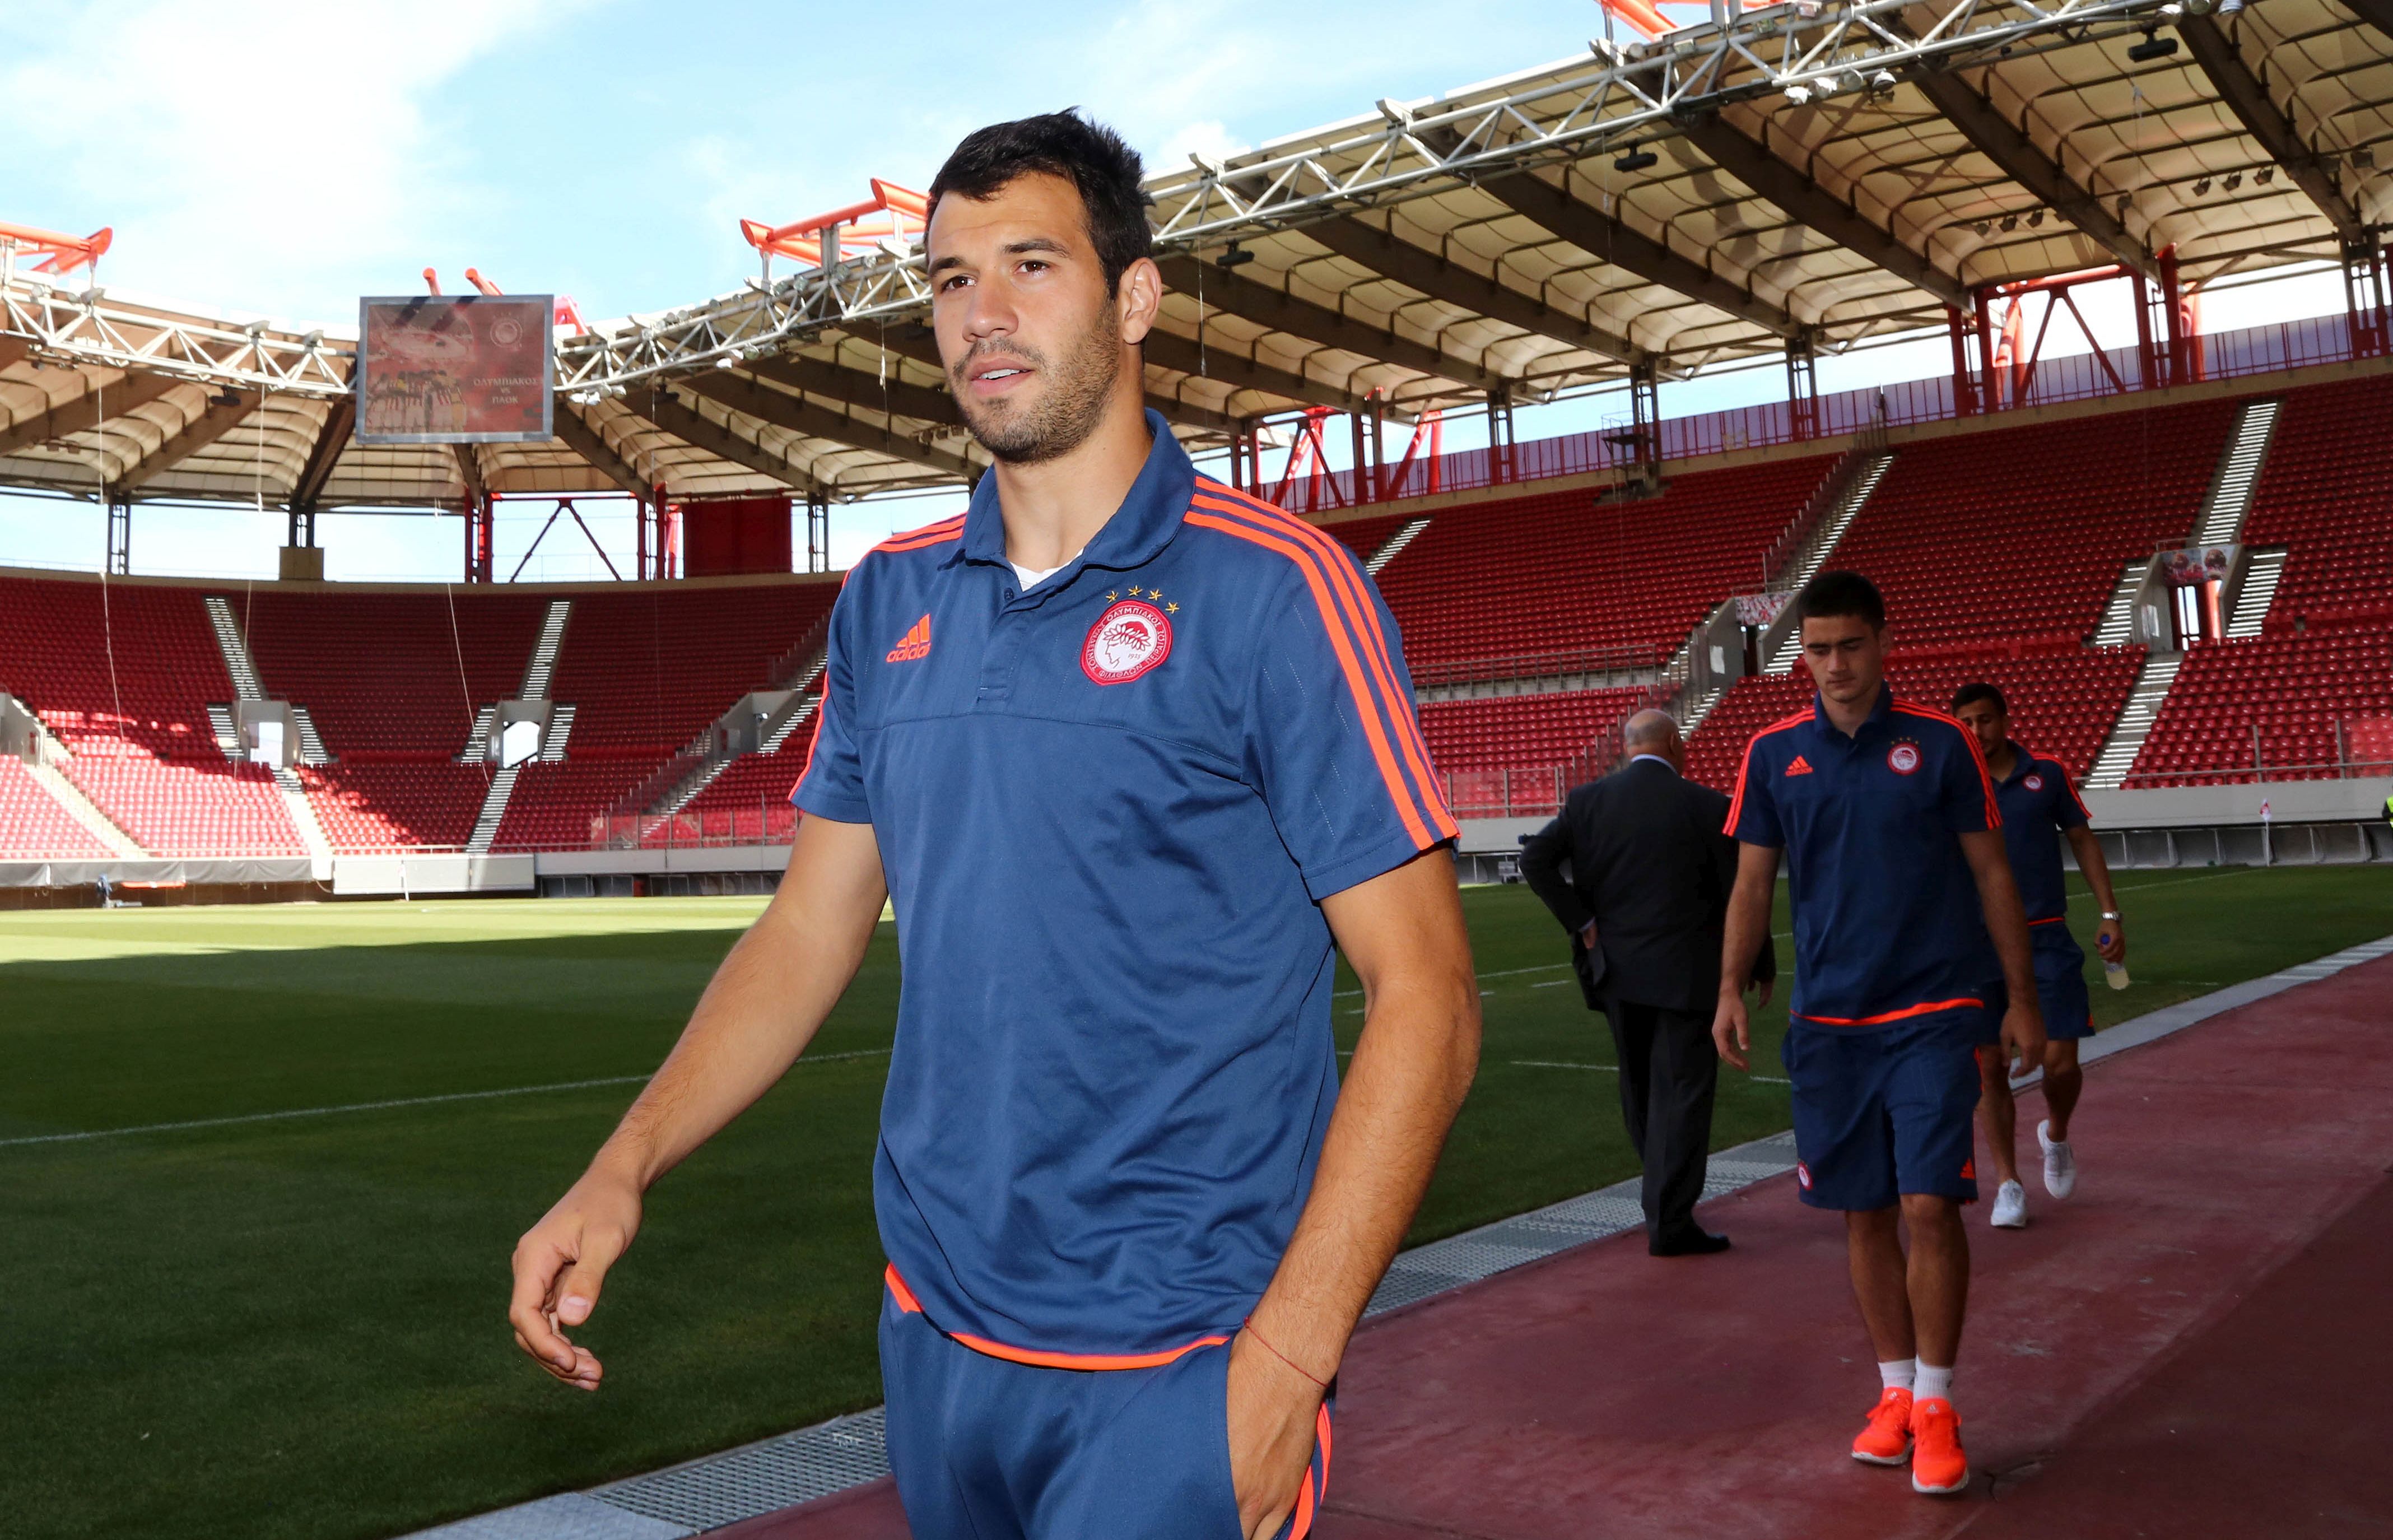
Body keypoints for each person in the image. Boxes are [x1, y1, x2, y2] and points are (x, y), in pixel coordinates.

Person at [506, 111, 1482, 1540]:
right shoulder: (889, 597)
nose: (984, 314)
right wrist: (623, 1163)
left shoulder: (1277, 589)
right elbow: (810, 926)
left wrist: (1289, 1362)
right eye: (953, 279)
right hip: (935, 1334)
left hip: (1178, 1353)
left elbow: (1429, 996)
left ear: (1134, 298)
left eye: (1032, 264)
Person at [1713, 571, 2043, 1499]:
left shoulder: (1941, 744)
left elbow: (1993, 875)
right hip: (1829, 1022)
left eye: (1850, 645)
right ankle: (1894, 1390)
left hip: (1933, 1009)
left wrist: (2021, 998)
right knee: (1863, 1212)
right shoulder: (1772, 753)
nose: (1834, 665)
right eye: (1817, 650)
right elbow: (1751, 883)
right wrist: (1728, 986)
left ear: (1884, 642)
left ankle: (1937, 1402)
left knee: (1928, 1204)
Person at [1519, 709, 1775, 1255]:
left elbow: (1535, 860)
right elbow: (1742, 889)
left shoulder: (1587, 801)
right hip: (1689, 976)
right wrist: (1761, 962)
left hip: (1616, 972)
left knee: (1638, 1088)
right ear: (1676, 745)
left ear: (1628, 748)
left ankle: (1662, 1193)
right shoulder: (1708, 805)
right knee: (1684, 1092)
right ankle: (1670, 1217)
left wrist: (1582, 921)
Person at [1948, 683, 2125, 1228]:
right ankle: (2008, 1182)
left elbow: (2082, 838)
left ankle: (2056, 1131)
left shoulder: (2046, 773)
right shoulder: (1948, 782)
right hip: (1975, 944)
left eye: (1985, 719)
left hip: (2045, 937)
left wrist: (2110, 913)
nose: (1977, 731)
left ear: (2005, 719)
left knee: (2061, 1062)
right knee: (1990, 1065)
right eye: (1966, 722)